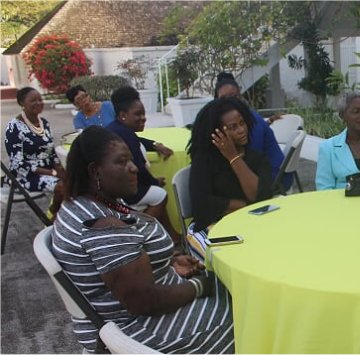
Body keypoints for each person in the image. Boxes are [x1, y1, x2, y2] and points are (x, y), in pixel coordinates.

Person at [52, 125, 234, 353]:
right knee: (248, 311)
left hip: (131, 313)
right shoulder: (102, 227)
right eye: (121, 162)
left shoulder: (86, 204)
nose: (134, 168)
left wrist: (167, 262)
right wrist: (199, 286)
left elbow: (125, 263)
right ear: (94, 171)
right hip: (135, 330)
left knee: (234, 286)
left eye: (131, 159)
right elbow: (144, 301)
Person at [187, 97, 274, 260]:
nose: (241, 130)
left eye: (242, 123)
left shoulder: (256, 158)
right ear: (217, 132)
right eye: (233, 127)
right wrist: (246, 207)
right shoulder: (204, 159)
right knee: (231, 259)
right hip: (211, 226)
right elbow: (202, 204)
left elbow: (258, 196)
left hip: (250, 224)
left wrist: (233, 157)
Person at [106, 86, 181, 242]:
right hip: (124, 191)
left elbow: (137, 140)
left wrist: (154, 144)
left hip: (111, 188)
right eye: (138, 114)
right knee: (161, 195)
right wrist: (155, 182)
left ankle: (170, 235)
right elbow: (139, 169)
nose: (143, 118)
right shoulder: (126, 135)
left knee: (156, 192)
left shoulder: (115, 128)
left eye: (144, 114)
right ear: (123, 115)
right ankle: (139, 235)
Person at [213, 72, 289, 192]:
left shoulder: (250, 122)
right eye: (223, 99)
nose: (229, 103)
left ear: (240, 96)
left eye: (233, 97)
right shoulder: (231, 120)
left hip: (276, 177)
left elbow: (250, 161)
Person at [4, 87, 64, 193]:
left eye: (40, 100)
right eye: (33, 101)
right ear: (22, 103)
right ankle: (53, 209)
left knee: (77, 181)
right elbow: (17, 163)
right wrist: (52, 172)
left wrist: (61, 170)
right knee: (62, 187)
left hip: (49, 170)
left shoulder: (44, 123)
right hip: (25, 176)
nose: (38, 103)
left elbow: (52, 153)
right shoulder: (14, 127)